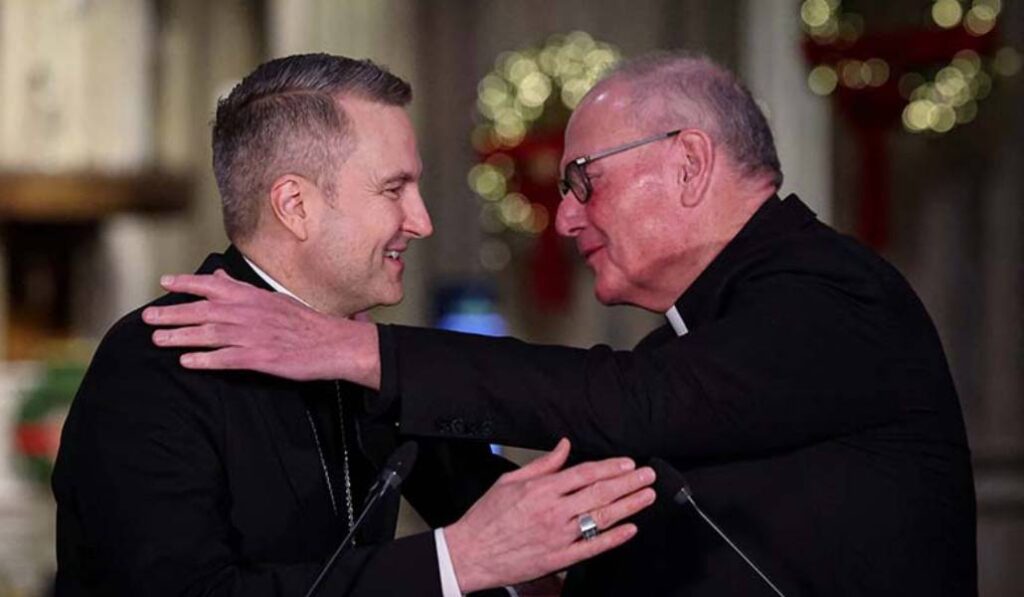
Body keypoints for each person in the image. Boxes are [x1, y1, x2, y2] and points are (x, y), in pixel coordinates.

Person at [145, 52, 978, 595]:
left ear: (688, 163)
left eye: (582, 181)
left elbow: (628, 403)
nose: (567, 218)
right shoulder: (716, 329)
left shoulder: (831, 298)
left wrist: (361, 351)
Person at [52, 54, 658, 597]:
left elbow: (497, 508)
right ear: (295, 206)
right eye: (394, 188)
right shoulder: (157, 360)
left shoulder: (360, 353)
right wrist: (457, 560)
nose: (421, 222)